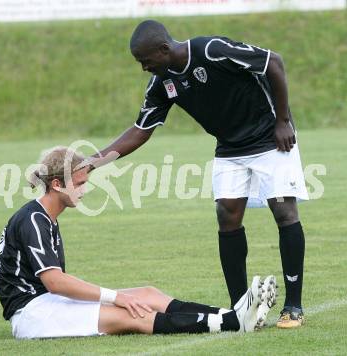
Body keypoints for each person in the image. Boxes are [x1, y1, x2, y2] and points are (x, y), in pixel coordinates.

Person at [92, 20, 309, 328]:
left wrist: (283, 120)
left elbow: (273, 62)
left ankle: (293, 306)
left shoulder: (211, 50)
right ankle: (240, 309)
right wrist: (93, 162)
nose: (144, 68)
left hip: (270, 136)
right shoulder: (161, 83)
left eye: (145, 61)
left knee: (284, 210)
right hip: (230, 147)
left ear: (164, 49)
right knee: (227, 215)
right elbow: (141, 130)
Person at [0, 146, 277, 339]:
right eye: (79, 183)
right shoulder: (33, 219)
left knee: (147, 294)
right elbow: (56, 282)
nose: (85, 189)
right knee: (131, 315)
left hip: (49, 302)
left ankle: (235, 314)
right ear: (57, 185)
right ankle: (233, 322)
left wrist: (121, 297)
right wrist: (117, 297)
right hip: (33, 314)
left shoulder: (44, 217)